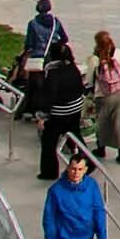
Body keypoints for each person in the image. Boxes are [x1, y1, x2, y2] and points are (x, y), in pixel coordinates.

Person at [38, 41, 87, 180]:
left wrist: (43, 115)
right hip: (75, 109)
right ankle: (87, 161)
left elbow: (50, 96)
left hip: (59, 113)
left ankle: (49, 172)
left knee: (49, 141)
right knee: (75, 135)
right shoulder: (73, 69)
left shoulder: (53, 74)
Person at [85, 30, 120, 164]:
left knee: (102, 123)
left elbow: (89, 79)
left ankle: (101, 148)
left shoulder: (95, 58)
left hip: (103, 96)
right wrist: (118, 77)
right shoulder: (119, 52)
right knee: (118, 123)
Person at [21, 0, 69, 118]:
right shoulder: (55, 22)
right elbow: (64, 38)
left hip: (37, 58)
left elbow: (29, 44)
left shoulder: (32, 24)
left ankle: (29, 110)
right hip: (52, 58)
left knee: (33, 84)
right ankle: (48, 108)